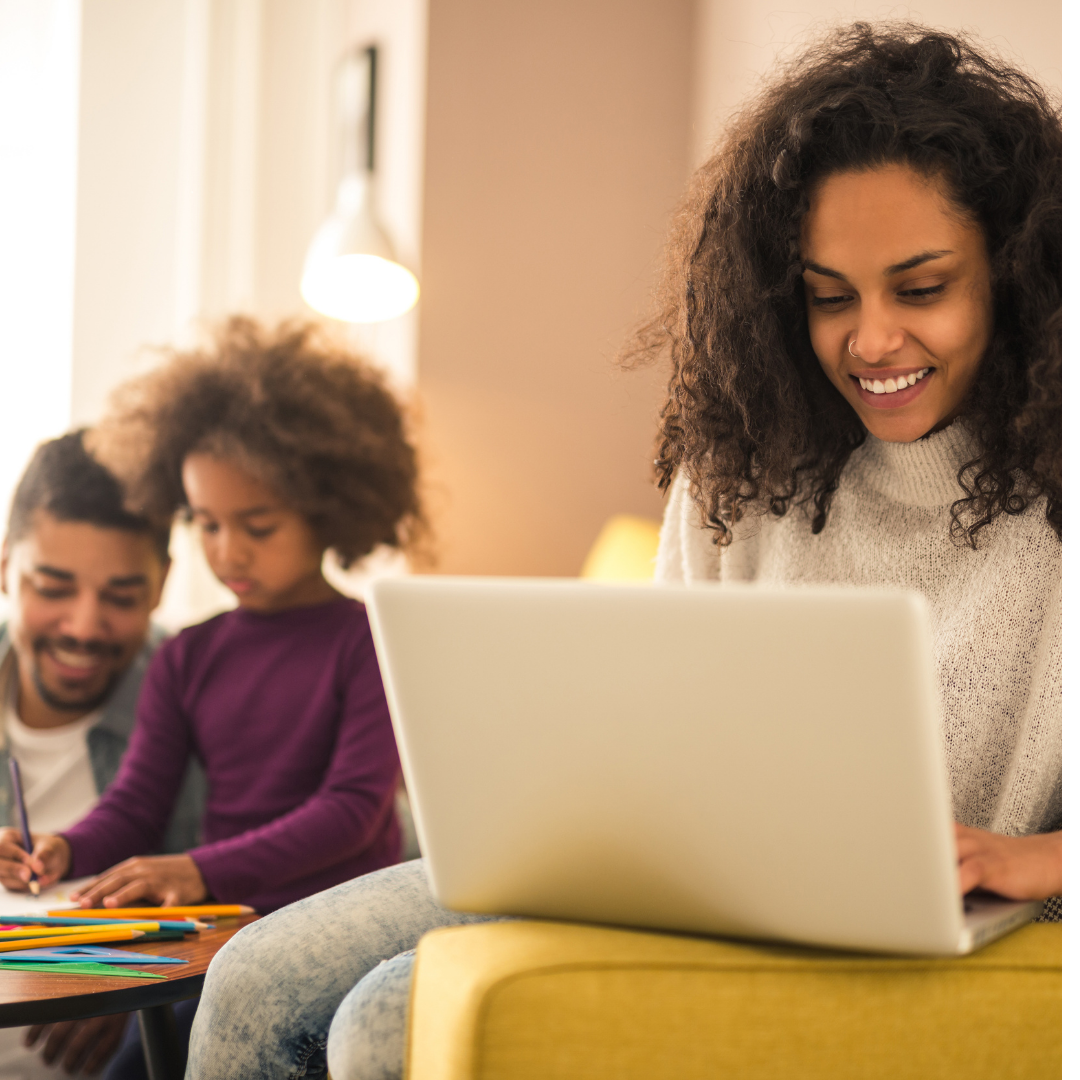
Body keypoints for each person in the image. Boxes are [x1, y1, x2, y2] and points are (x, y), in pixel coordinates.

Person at [181, 22, 1061, 1080]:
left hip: (896, 923)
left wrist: (1035, 855)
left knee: (385, 1020)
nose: (870, 340)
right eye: (830, 297)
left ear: (1016, 277)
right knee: (250, 979)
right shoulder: (747, 462)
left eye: (921, 289)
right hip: (669, 875)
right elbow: (660, 718)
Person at [0, 317, 424, 1079]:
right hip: (216, 935)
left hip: (328, 937)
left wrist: (198, 868)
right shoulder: (189, 657)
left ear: (326, 507)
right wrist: (68, 847)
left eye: (256, 525)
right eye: (205, 524)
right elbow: (135, 803)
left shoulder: (368, 641)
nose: (228, 551)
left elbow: (355, 808)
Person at [0, 432, 205, 1077]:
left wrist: (136, 972)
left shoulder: (207, 699)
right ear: (5, 565)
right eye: (54, 587)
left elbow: (270, 903)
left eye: (120, 596)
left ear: (161, 582)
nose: (84, 626)